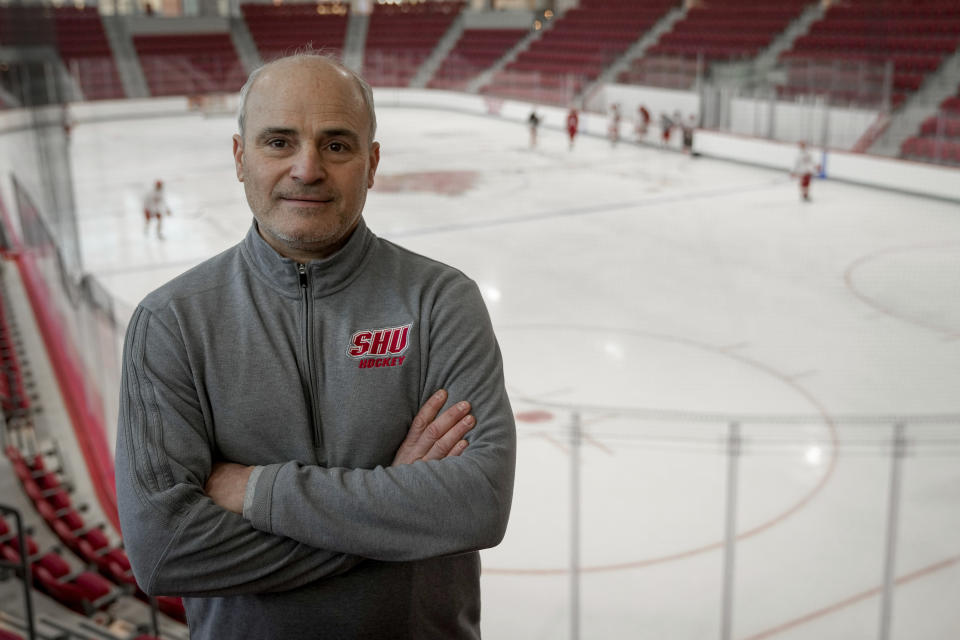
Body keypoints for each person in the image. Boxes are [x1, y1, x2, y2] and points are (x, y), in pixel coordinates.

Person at [115, 52, 516, 639]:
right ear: (239, 157)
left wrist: (256, 489)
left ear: (372, 163)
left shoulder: (439, 302)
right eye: (278, 142)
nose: (307, 168)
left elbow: (476, 501)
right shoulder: (171, 322)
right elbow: (165, 551)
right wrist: (391, 526)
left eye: (336, 145)